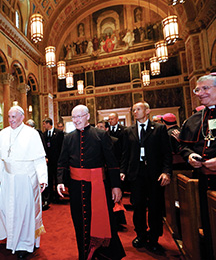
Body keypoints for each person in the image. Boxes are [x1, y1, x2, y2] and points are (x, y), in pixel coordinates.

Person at [57, 105, 125, 260]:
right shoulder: (68, 137)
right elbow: (62, 162)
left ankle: (103, 253)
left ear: (87, 116)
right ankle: (84, 254)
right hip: (76, 187)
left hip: (98, 185)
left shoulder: (101, 134)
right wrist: (60, 181)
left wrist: (116, 186)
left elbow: (112, 162)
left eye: (79, 116)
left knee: (102, 220)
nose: (76, 120)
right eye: (73, 117)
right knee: (79, 221)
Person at [0, 106, 47, 258]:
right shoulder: (3, 133)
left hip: (26, 179)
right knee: (8, 209)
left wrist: (43, 178)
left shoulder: (32, 134)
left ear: (22, 117)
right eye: (9, 117)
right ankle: (12, 240)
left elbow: (39, 159)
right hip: (8, 179)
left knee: (24, 212)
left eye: (14, 117)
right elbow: (0, 159)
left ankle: (24, 244)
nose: (11, 120)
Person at [121, 101, 172, 254]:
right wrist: (123, 170)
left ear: (147, 111)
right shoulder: (128, 131)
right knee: (138, 206)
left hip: (154, 174)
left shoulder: (159, 129)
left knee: (155, 207)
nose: (135, 112)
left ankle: (154, 237)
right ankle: (141, 235)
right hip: (136, 174)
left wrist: (166, 172)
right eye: (133, 110)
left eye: (138, 109)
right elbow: (125, 153)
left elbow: (166, 153)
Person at [178, 73, 216, 260]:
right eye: (197, 90)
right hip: (201, 180)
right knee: (208, 225)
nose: (200, 93)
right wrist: (190, 155)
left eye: (205, 88)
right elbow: (183, 145)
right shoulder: (195, 119)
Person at [43, 118, 64, 205]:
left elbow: (62, 146)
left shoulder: (59, 133)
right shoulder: (44, 134)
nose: (44, 126)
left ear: (49, 124)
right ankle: (50, 196)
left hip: (57, 160)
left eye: (44, 124)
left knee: (57, 178)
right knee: (49, 178)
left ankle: (57, 196)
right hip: (48, 161)